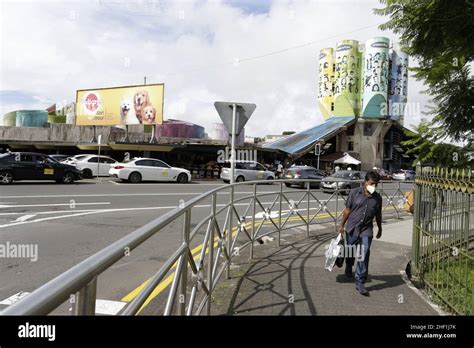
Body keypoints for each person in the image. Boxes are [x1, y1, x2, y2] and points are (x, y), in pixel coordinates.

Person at [338, 171, 382, 296]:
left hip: (366, 230)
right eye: (372, 183)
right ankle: (349, 265)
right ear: (365, 182)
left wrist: (380, 228)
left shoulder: (377, 198)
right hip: (352, 228)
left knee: (364, 253)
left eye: (376, 184)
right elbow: (347, 211)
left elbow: (378, 215)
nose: (374, 186)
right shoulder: (354, 193)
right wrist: (341, 225)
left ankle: (360, 281)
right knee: (350, 251)